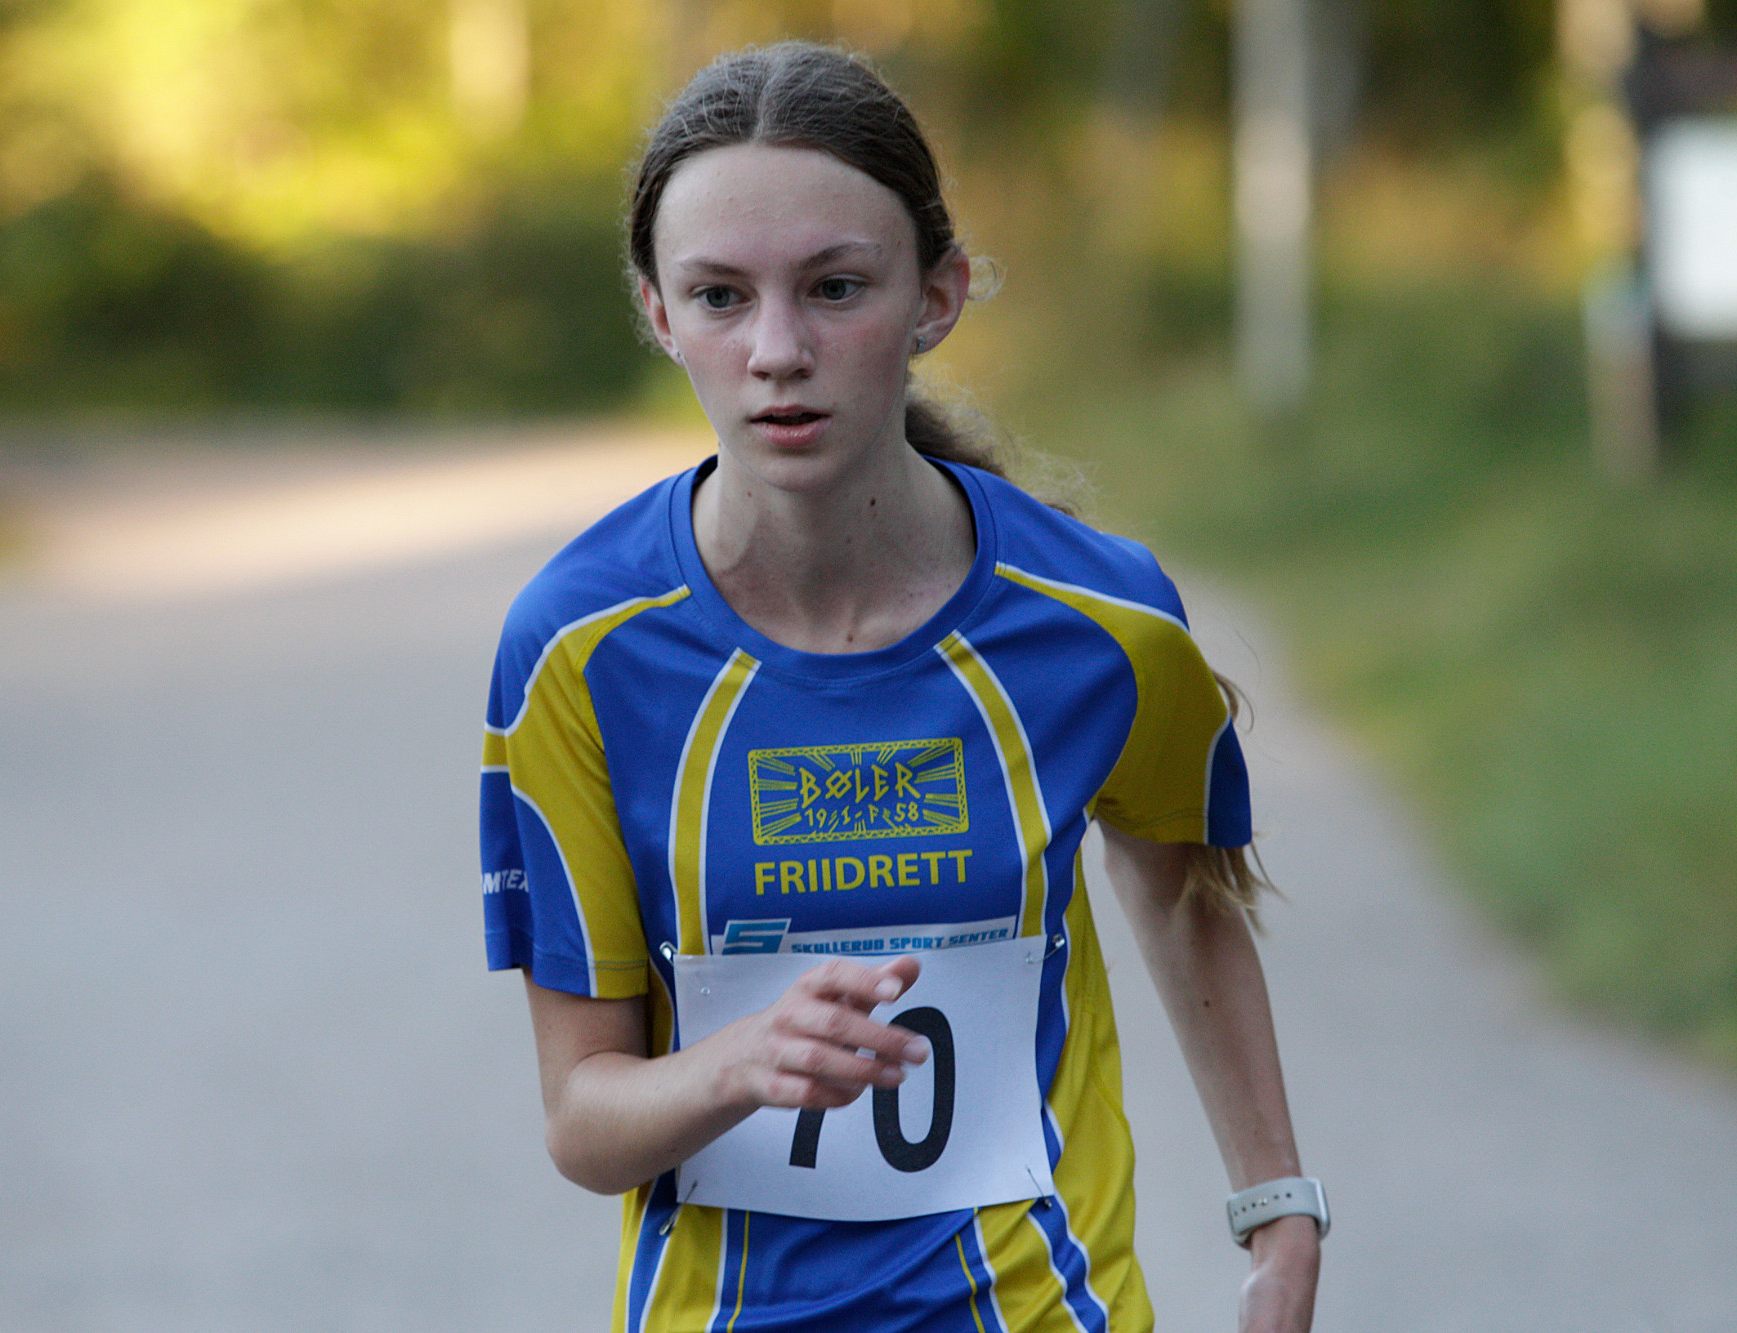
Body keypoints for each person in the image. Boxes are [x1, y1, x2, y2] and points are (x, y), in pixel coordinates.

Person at [479, 41, 1322, 1333]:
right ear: (658, 314)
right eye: (719, 296)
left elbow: (1180, 886)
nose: (777, 349)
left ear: (937, 297)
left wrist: (1278, 1211)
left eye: (835, 288)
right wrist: (738, 1063)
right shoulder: (578, 653)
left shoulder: (1101, 624)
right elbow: (584, 1123)